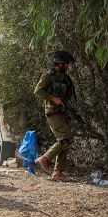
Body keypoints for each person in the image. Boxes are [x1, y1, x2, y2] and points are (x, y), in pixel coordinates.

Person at [34, 50, 76, 181]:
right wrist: (52, 98)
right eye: (66, 64)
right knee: (66, 139)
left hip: (62, 112)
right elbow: (38, 91)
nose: (68, 66)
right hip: (53, 112)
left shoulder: (65, 78)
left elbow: (68, 96)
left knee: (65, 142)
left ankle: (58, 173)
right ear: (60, 63)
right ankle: (44, 159)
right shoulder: (49, 75)